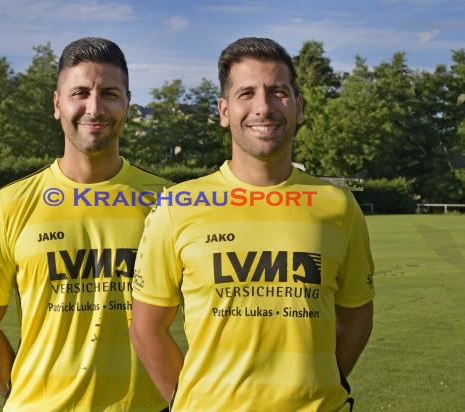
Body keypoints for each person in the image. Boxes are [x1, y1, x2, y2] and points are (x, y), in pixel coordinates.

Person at [130, 37, 374, 412]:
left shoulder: (338, 205)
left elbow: (356, 317)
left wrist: (318, 387)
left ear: (298, 107)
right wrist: (185, 402)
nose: (263, 107)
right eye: (247, 93)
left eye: (278, 92)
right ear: (225, 111)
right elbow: (147, 327)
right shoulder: (178, 205)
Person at [0, 37, 169, 411]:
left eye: (109, 94)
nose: (94, 107)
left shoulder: (168, 203)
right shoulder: (11, 204)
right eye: (80, 93)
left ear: (127, 103)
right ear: (58, 104)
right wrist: (23, 396)